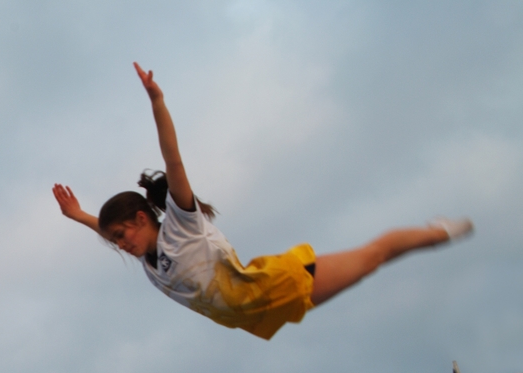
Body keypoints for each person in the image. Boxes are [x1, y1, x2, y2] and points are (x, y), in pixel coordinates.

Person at [53, 63, 473, 340]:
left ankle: (438, 232)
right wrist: (79, 217)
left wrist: (158, 103)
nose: (121, 244)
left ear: (143, 217)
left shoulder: (182, 224)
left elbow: (173, 160)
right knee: (369, 266)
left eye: (123, 235)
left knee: (373, 256)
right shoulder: (148, 259)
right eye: (115, 240)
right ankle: (431, 234)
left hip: (273, 285)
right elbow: (109, 229)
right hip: (254, 316)